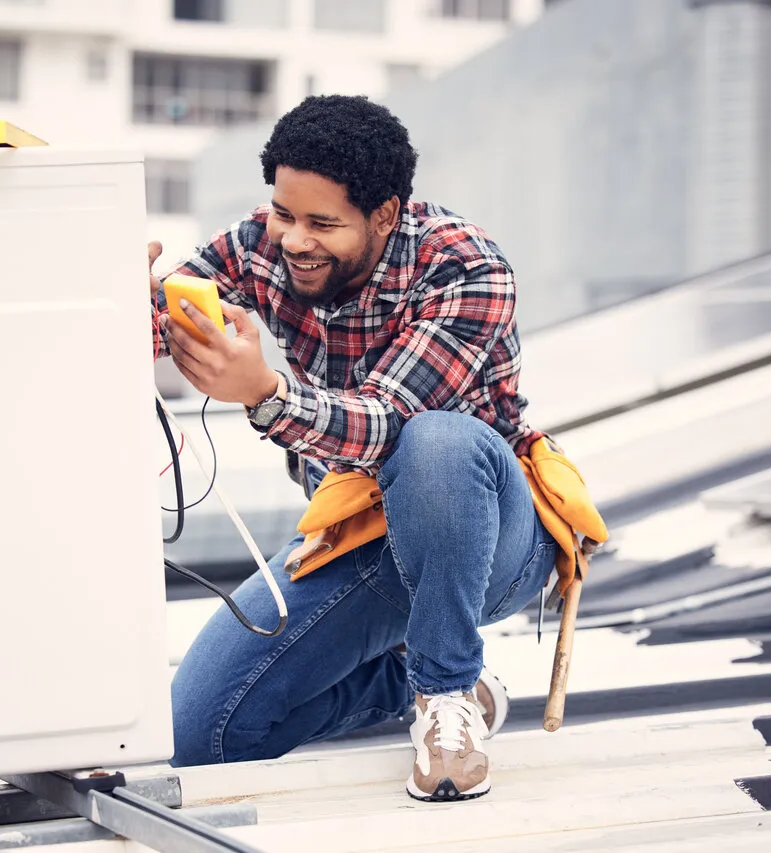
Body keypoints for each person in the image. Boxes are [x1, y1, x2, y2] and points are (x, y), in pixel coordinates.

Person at [149, 94, 556, 803]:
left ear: (386, 215)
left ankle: (446, 692)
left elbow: (386, 422)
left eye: (322, 222)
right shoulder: (260, 245)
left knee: (439, 441)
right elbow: (160, 323)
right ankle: (400, 683)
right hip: (360, 534)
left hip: (486, 537)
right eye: (283, 212)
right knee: (200, 737)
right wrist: (115, 301)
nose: (294, 239)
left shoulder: (466, 269)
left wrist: (264, 391)